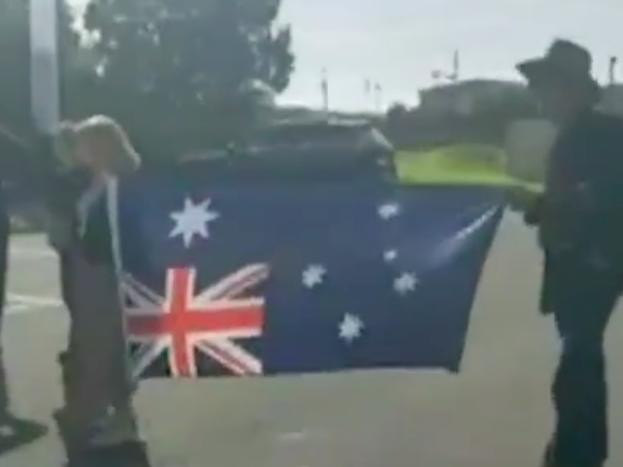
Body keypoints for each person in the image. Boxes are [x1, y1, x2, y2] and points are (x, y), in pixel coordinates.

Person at [516, 40, 623, 467]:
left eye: (546, 85)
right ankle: (575, 454)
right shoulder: (575, 134)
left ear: (575, 89)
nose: (539, 95)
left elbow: (599, 195)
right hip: (577, 264)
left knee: (577, 370)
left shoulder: (604, 133)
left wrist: (540, 206)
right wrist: (537, 208)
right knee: (578, 368)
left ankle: (575, 458)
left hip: (593, 266)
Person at [47, 116, 151, 467]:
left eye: (84, 143)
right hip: (89, 272)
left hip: (105, 274)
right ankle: (120, 419)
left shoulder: (122, 184)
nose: (77, 151)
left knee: (109, 348)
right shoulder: (95, 181)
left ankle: (120, 419)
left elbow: (118, 234)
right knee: (104, 349)